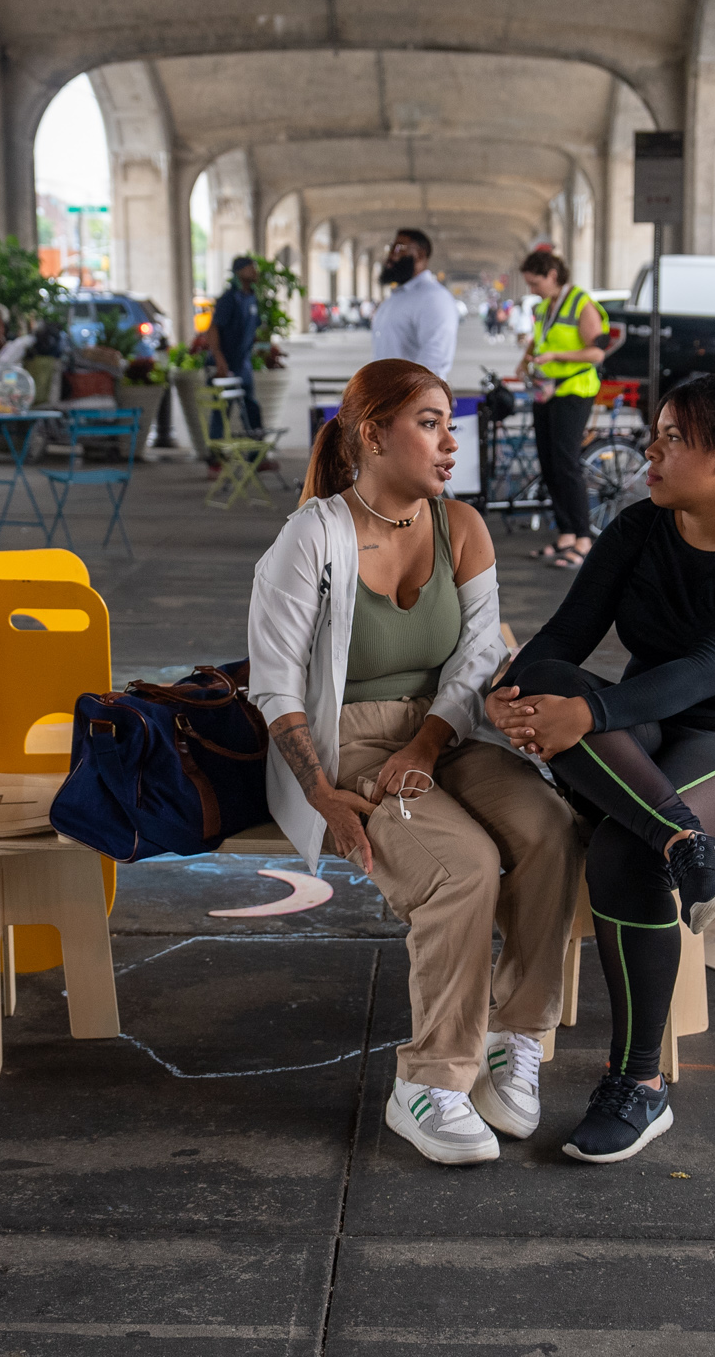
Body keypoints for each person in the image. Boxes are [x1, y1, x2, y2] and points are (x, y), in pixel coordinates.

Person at [247, 358, 580, 1167]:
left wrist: (429, 743)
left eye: (449, 424)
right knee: (459, 867)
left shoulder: (461, 526)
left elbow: (475, 660)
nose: (449, 444)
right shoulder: (312, 536)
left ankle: (514, 1039)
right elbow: (274, 680)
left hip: (449, 733)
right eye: (430, 423)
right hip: (350, 741)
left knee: (551, 830)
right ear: (373, 434)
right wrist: (322, 791)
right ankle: (428, 1081)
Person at [489, 374, 715, 1163]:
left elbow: (711, 666)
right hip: (646, 732)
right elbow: (566, 634)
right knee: (549, 681)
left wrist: (592, 716)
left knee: (619, 847)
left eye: (673, 437)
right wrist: (515, 693)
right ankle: (690, 849)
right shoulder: (642, 527)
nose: (652, 449)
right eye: (656, 433)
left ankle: (638, 1086)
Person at [517, 249, 610, 569]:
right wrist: (526, 358)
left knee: (567, 463)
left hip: (574, 390)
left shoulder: (581, 304)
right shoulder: (546, 306)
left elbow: (596, 354)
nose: (532, 290)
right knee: (549, 462)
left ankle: (584, 538)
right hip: (547, 391)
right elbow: (539, 338)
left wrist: (556, 358)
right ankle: (566, 533)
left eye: (534, 283)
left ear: (552, 275)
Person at [371, 229, 459, 381]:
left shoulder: (434, 298)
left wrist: (409, 396)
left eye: (399, 248)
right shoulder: (395, 298)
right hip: (389, 395)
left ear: (420, 255)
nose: (391, 256)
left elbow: (434, 357)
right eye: (391, 248)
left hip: (413, 398)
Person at [210, 256, 265, 432]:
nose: (255, 271)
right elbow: (213, 329)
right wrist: (219, 358)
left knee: (251, 408)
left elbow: (251, 329)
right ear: (239, 272)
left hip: (244, 364)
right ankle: (216, 453)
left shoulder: (252, 298)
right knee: (222, 409)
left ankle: (256, 453)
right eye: (251, 268)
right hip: (227, 363)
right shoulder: (229, 299)